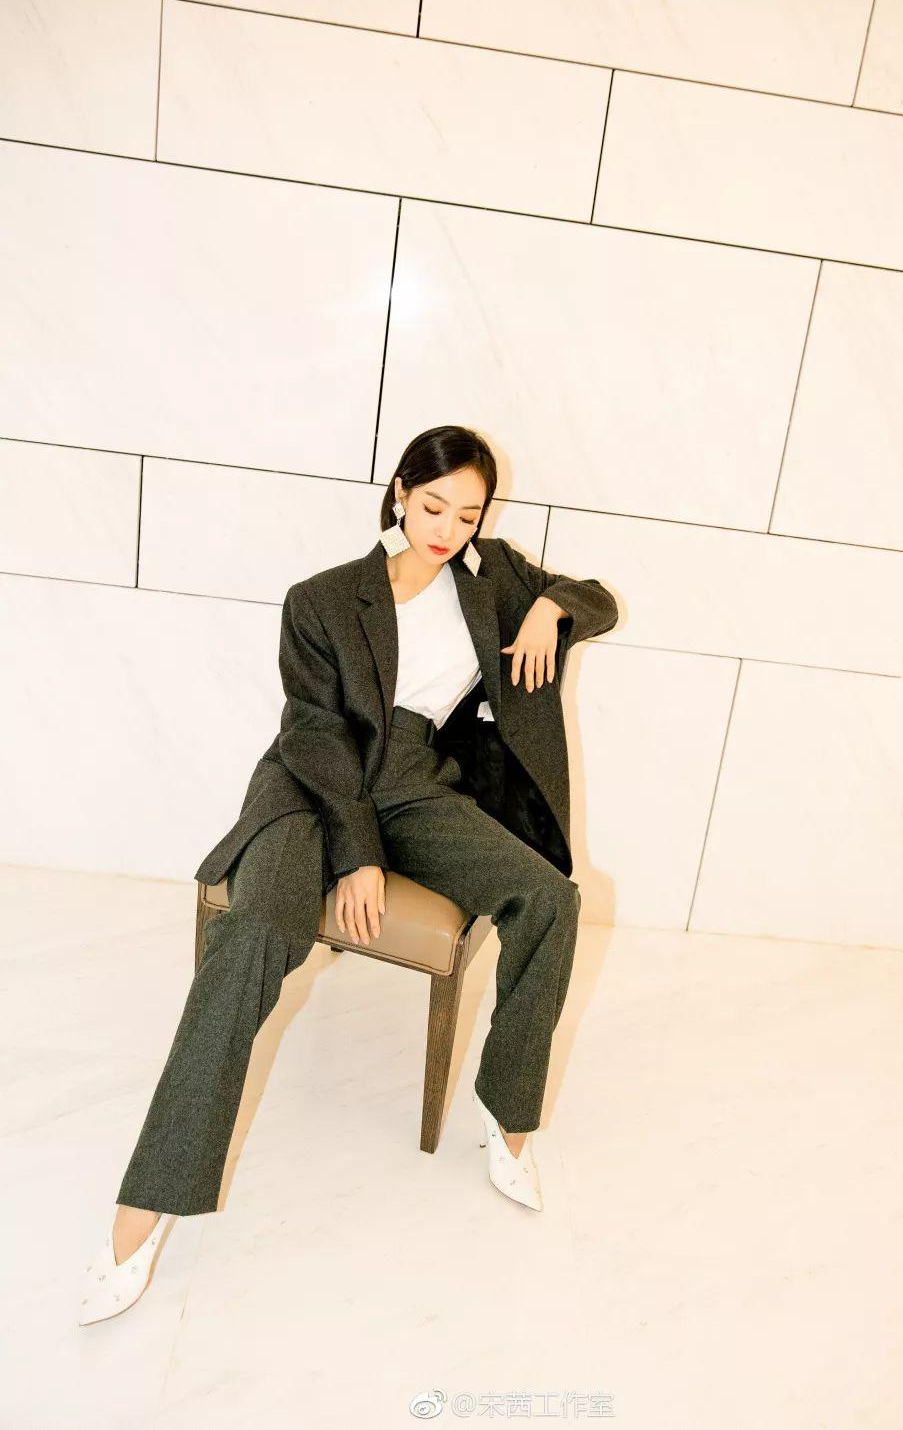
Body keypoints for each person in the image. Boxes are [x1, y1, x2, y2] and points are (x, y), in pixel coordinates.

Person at [78, 424, 618, 1326]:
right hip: (311, 781)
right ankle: (147, 1205)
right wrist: (357, 850)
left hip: (417, 782)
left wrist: (549, 609)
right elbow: (318, 734)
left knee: (550, 901)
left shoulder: (492, 581)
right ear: (401, 490)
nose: (448, 528)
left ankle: (509, 1116)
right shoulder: (324, 599)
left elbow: (598, 600)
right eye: (434, 506)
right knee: (257, 934)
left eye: (469, 514)